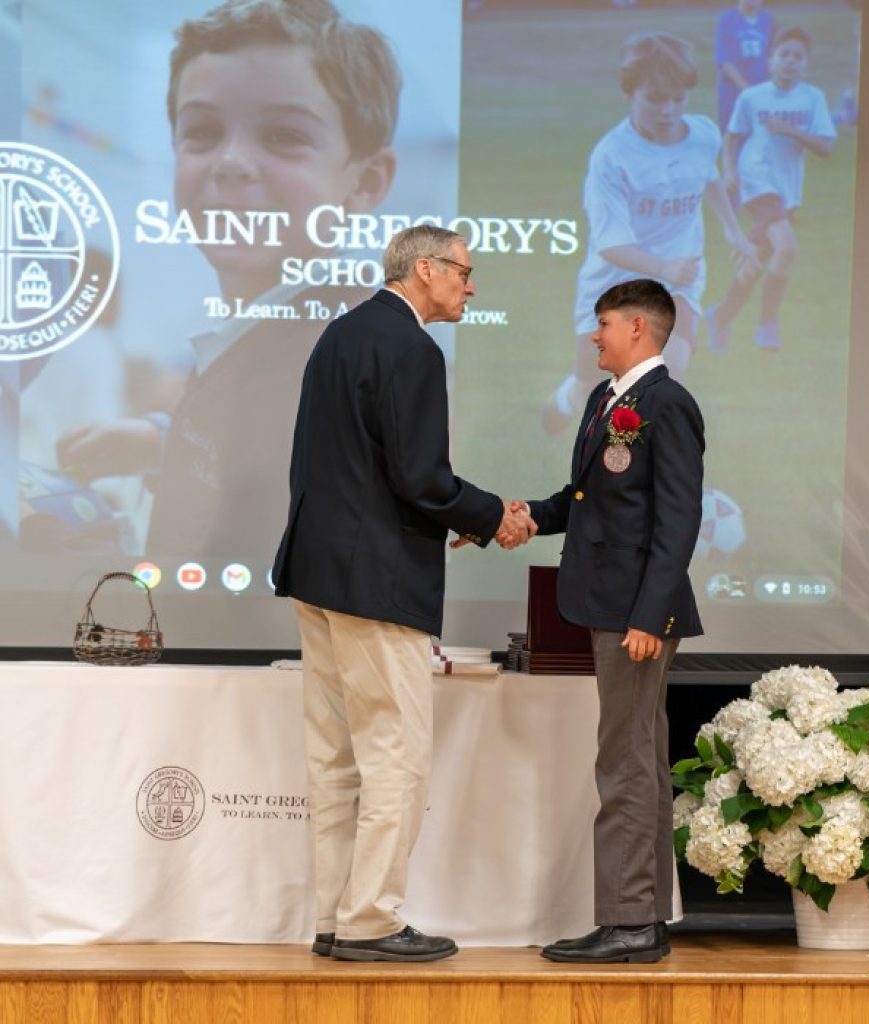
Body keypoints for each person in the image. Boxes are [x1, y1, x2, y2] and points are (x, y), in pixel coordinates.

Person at [57, 0, 400, 564]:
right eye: (202, 132)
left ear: (365, 181)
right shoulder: (257, 328)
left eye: (285, 136)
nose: (232, 162)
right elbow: (268, 440)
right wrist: (162, 440)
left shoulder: (346, 349)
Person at [272, 224, 534, 963]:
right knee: (395, 753)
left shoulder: (340, 334)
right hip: (376, 580)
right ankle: (372, 922)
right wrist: (490, 516)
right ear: (426, 270)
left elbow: (352, 465)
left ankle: (334, 915)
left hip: (317, 574)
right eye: (464, 272)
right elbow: (420, 477)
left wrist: (459, 513)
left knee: (335, 756)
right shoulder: (412, 347)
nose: (471, 286)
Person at [524, 279, 704, 963]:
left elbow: (677, 516)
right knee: (639, 762)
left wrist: (651, 614)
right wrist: (526, 519)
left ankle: (628, 921)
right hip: (613, 607)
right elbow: (587, 500)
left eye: (602, 325)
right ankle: (644, 918)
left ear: (637, 327)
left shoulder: (667, 404)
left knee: (623, 765)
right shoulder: (609, 400)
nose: (593, 336)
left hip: (636, 617)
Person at [542, 32, 756, 434]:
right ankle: (572, 393)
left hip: (676, 284)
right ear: (629, 93)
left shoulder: (704, 134)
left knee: (659, 382)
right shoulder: (612, 157)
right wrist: (664, 266)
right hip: (613, 284)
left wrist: (733, 232)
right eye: (656, 99)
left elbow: (707, 178)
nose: (669, 110)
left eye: (678, 99)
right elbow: (610, 245)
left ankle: (639, 479)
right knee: (593, 383)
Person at [706, 26, 836, 353]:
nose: (791, 61)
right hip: (756, 181)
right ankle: (767, 325)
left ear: (806, 64)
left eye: (798, 56)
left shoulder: (813, 98)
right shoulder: (752, 97)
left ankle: (721, 317)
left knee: (755, 261)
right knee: (787, 248)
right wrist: (731, 169)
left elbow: (826, 147)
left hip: (787, 188)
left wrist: (790, 129)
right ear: (771, 61)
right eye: (784, 55)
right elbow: (732, 136)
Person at [713, 0, 775, 132]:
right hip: (732, 89)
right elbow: (725, 61)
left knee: (759, 132)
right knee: (731, 133)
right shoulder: (727, 20)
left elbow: (772, 55)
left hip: (761, 88)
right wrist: (746, 88)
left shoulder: (767, 19)